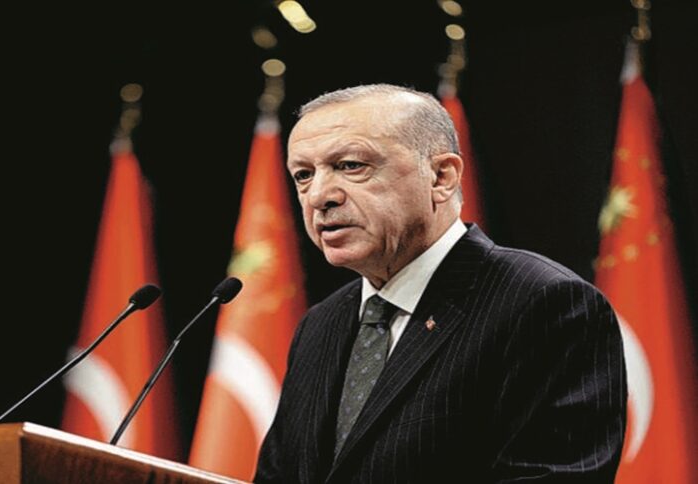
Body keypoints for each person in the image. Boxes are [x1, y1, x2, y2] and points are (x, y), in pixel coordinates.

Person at [254, 84, 627, 483]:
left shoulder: (543, 303)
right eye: (303, 175)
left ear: (441, 176)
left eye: (350, 165)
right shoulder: (320, 325)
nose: (319, 196)